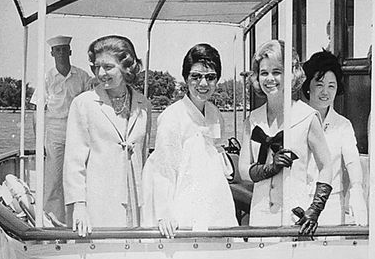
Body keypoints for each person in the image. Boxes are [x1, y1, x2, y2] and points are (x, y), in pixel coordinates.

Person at [142, 43, 238, 238]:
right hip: (182, 201)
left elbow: (216, 152)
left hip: (214, 200)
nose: (203, 84)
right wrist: (164, 213)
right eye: (196, 76)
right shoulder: (172, 117)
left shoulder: (215, 114)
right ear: (186, 78)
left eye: (210, 77)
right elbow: (163, 170)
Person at [238, 40, 333, 235]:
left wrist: (315, 210)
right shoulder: (252, 120)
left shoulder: (307, 117)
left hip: (294, 216)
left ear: (291, 74)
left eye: (277, 71)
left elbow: (326, 166)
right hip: (259, 217)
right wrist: (270, 168)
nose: (269, 78)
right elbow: (243, 170)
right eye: (264, 73)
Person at [63, 35, 151, 236]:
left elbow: (143, 156)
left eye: (108, 67)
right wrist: (79, 206)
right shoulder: (83, 104)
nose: (100, 73)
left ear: (126, 67)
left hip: (135, 198)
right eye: (96, 67)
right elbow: (73, 162)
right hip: (97, 200)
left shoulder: (143, 104)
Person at [30, 35, 91, 223]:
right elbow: (37, 110)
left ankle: (78, 220)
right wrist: (39, 141)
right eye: (58, 51)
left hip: (78, 133)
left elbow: (91, 104)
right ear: (52, 53)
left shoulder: (82, 76)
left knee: (80, 176)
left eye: (65, 50)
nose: (62, 54)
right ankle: (53, 222)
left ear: (70, 52)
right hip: (55, 133)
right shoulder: (47, 78)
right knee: (54, 180)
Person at [302, 50, 368, 225]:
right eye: (319, 84)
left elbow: (352, 161)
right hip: (299, 199)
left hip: (331, 205)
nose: (325, 92)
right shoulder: (296, 119)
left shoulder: (343, 125)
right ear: (308, 85)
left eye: (331, 86)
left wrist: (357, 191)